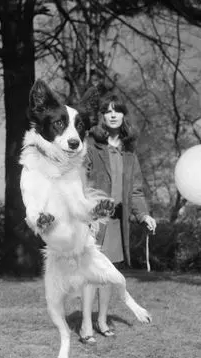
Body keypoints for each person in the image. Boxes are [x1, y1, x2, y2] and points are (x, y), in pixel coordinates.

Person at [79, 92, 156, 344]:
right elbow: (81, 180)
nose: (113, 114)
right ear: (102, 117)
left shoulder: (130, 155)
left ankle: (102, 322)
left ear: (123, 116)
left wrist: (143, 214)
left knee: (108, 274)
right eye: (108, 111)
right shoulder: (91, 146)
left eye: (117, 110)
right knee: (91, 272)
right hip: (93, 219)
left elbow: (134, 191)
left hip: (115, 222)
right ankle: (85, 326)